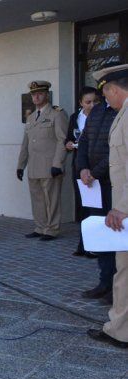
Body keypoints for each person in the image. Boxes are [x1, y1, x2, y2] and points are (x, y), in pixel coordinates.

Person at [87, 63, 128, 350]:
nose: (107, 100)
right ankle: (120, 327)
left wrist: (122, 207)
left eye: (106, 94)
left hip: (126, 209)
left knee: (124, 270)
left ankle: (119, 330)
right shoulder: (122, 114)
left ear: (113, 89)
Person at [77, 81, 119, 303]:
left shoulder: (121, 112)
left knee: (116, 236)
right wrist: (82, 167)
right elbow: (83, 142)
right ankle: (105, 282)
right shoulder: (97, 112)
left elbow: (118, 151)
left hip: (113, 183)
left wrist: (94, 171)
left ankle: (117, 288)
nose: (103, 94)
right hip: (94, 184)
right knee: (101, 234)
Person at [17, 80, 68, 241]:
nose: (36, 97)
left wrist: (58, 163)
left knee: (51, 199)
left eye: (39, 93)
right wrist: (20, 165)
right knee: (37, 199)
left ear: (47, 95)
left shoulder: (57, 114)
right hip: (33, 166)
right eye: (33, 94)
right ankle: (40, 227)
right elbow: (25, 143)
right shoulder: (31, 117)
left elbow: (62, 140)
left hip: (50, 165)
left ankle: (52, 229)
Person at [67, 87, 99, 257]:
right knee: (82, 206)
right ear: (81, 103)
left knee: (95, 207)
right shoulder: (75, 117)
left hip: (95, 166)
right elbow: (68, 138)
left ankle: (94, 246)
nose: (92, 105)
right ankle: (83, 244)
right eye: (88, 102)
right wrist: (69, 144)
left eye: (95, 101)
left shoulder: (102, 116)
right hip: (79, 165)